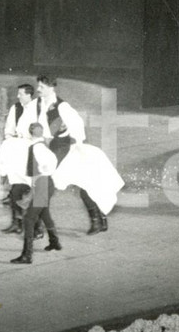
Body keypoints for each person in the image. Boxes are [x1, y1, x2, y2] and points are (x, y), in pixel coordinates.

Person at [37, 76, 124, 235]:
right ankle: (99, 220)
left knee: (60, 182)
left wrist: (75, 141)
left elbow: (77, 124)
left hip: (65, 148)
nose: (38, 90)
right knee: (75, 184)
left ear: (50, 87)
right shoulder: (41, 104)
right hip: (51, 147)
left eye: (41, 87)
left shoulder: (62, 106)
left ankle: (97, 220)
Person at [7, 124, 61, 264]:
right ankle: (55, 242)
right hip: (45, 183)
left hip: (42, 184)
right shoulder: (41, 145)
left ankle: (27, 255)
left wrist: (43, 173)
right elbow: (52, 160)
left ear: (30, 134)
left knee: (29, 219)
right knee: (44, 213)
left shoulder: (37, 147)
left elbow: (48, 163)